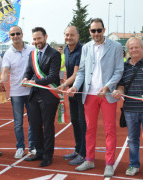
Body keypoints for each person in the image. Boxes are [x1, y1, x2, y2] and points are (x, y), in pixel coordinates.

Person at [67, 18, 123, 177]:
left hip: (106, 94)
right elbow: (82, 72)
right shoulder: (86, 47)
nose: (96, 33)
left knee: (110, 129)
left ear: (104, 30)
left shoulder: (116, 46)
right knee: (89, 129)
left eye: (99, 30)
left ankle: (109, 163)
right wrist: (75, 86)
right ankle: (89, 159)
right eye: (93, 31)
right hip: (89, 95)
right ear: (90, 32)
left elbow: (119, 71)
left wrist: (107, 86)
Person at [22, 27, 61, 167]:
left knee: (48, 126)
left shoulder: (54, 54)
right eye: (34, 39)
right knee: (35, 125)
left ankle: (47, 155)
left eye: (39, 38)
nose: (37, 41)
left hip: (49, 96)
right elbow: (28, 71)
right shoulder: (32, 54)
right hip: (33, 96)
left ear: (46, 37)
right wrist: (25, 79)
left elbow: (53, 76)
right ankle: (39, 152)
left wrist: (34, 82)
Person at [0, 25, 35, 159]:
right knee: (18, 122)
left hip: (31, 91)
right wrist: (1, 80)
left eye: (17, 33)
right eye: (12, 34)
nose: (15, 36)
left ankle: (32, 148)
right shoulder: (8, 54)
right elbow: (4, 72)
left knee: (33, 121)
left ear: (22, 34)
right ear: (9, 37)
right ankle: (20, 147)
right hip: (16, 93)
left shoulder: (32, 49)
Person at [112, 37, 143, 176]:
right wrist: (118, 92)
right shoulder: (124, 66)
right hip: (130, 109)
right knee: (132, 139)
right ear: (128, 50)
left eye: (137, 47)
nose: (134, 50)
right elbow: (121, 85)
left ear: (141, 48)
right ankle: (134, 165)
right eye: (131, 48)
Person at [57, 26, 86, 165]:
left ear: (78, 36)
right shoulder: (66, 50)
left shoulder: (81, 50)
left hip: (81, 92)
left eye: (72, 35)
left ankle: (83, 153)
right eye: (67, 35)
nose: (69, 37)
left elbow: (76, 74)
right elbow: (66, 71)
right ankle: (77, 150)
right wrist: (63, 81)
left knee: (82, 123)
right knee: (74, 122)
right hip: (71, 91)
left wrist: (63, 85)